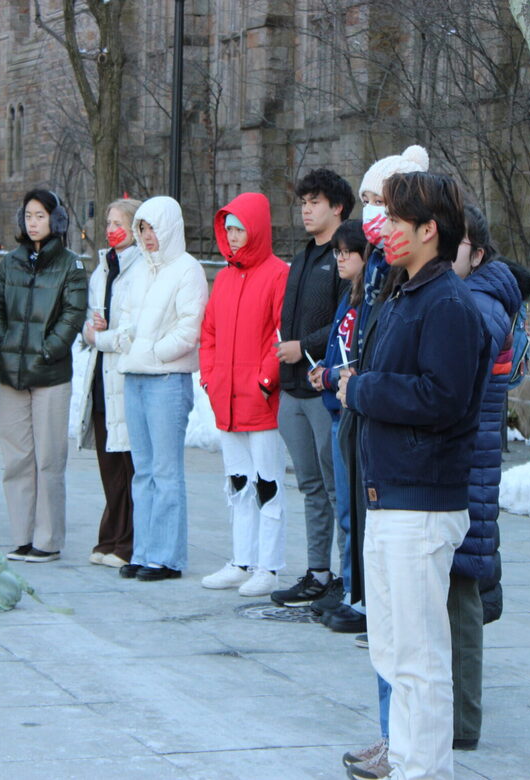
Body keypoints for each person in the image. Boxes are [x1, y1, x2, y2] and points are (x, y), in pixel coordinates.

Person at [338, 171, 491, 780]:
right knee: (393, 647)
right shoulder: (406, 292)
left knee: (422, 653)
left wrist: (364, 389)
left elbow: (444, 397)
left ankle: (424, 768)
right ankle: (402, 756)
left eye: (399, 222)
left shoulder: (449, 303)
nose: (387, 232)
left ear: (430, 230)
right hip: (390, 493)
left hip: (422, 500)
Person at [339, 145, 429, 780]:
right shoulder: (375, 272)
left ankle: (410, 743)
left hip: (417, 480)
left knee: (414, 633)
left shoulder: (428, 287)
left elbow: (432, 390)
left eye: (383, 205)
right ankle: (389, 733)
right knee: (386, 624)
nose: (375, 218)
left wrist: (363, 387)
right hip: (372, 447)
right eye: (370, 204)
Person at [448, 204, 522, 752]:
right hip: (458, 462)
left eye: (458, 243)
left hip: (466, 464)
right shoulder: (468, 293)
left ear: (477, 252)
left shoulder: (483, 300)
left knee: (462, 590)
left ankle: (460, 723)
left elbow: (458, 365)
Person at [0, 189, 87, 563]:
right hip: (11, 375)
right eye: (28, 215)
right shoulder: (10, 263)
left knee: (48, 460)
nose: (33, 222)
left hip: (50, 376)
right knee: (16, 459)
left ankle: (47, 539)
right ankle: (20, 535)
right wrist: (1, 341)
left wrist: (48, 349)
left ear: (56, 221)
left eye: (40, 215)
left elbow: (72, 315)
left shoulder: (71, 266)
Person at [271, 168, 354, 608]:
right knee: (309, 485)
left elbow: (345, 323)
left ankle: (347, 577)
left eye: (315, 202)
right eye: (303, 202)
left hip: (326, 388)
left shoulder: (346, 257)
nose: (306, 209)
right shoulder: (303, 256)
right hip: (293, 388)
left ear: (337, 207)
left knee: (335, 484)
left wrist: (304, 346)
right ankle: (317, 571)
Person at [199, 193, 290, 597]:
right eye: (229, 229)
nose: (234, 237)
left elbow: (279, 333)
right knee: (237, 483)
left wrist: (264, 381)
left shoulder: (277, 275)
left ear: (256, 229)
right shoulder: (223, 277)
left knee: (268, 483)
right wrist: (211, 378)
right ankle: (241, 560)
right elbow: (210, 333)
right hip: (228, 400)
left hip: (261, 402)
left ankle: (269, 567)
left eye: (240, 229)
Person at [116, 196, 208, 581]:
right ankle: (143, 551)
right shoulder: (139, 270)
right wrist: (126, 339)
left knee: (166, 472)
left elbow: (190, 326)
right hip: (136, 377)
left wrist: (154, 352)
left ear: (169, 227)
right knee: (143, 471)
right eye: (141, 228)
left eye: (153, 227)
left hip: (168, 381)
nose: (148, 236)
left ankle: (167, 558)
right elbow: (127, 316)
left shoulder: (188, 270)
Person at [77, 198, 143, 568]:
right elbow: (92, 321)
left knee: (128, 463)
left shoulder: (140, 271)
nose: (110, 227)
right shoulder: (102, 269)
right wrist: (90, 330)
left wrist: (101, 337)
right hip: (100, 377)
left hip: (125, 377)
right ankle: (110, 535)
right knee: (108, 463)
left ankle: (128, 541)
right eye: (108, 220)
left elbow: (129, 333)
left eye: (119, 221)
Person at [307, 219, 367, 629]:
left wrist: (331, 375)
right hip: (336, 408)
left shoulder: (370, 299)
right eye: (338, 252)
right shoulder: (349, 295)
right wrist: (325, 371)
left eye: (349, 252)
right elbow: (337, 347)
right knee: (343, 505)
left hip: (354, 409)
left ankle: (357, 591)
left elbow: (358, 360)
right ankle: (348, 585)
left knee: (356, 509)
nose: (341, 258)